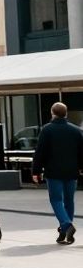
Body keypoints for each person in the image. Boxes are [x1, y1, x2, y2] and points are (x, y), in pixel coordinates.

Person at [31, 102, 83, 245]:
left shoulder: (47, 130)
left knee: (56, 200)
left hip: (53, 172)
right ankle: (64, 233)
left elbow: (40, 152)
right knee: (69, 201)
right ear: (66, 113)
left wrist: (36, 171)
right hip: (72, 172)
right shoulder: (76, 130)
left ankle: (66, 225)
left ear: (52, 113)